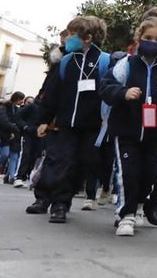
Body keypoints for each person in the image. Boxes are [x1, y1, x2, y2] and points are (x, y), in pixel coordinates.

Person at [98, 16, 157, 237]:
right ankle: (125, 215)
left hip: (155, 134)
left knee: (152, 174)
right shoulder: (125, 65)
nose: (153, 42)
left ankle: (138, 206)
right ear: (139, 38)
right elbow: (106, 88)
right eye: (148, 38)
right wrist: (123, 92)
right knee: (128, 172)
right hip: (126, 131)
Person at [32, 16, 111, 223]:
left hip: (92, 125)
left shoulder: (105, 61)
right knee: (61, 161)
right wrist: (44, 119)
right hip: (66, 123)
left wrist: (107, 119)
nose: (67, 38)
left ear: (87, 37)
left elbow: (109, 92)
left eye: (72, 34)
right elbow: (52, 93)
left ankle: (62, 197)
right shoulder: (66, 61)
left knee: (83, 163)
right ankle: (57, 203)